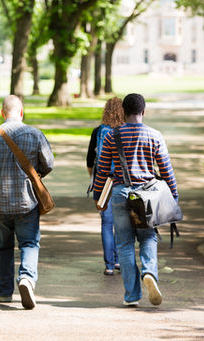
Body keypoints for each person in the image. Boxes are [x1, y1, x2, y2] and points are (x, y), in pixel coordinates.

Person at [0, 95, 54, 309]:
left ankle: (4, 293)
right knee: (29, 243)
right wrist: (35, 174)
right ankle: (26, 278)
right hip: (27, 201)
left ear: (2, 113)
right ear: (21, 112)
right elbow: (49, 163)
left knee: (3, 247)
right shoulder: (35, 134)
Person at [92, 93, 178, 307]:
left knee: (124, 243)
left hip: (121, 193)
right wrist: (174, 196)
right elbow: (167, 171)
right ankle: (149, 272)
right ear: (143, 111)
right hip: (147, 197)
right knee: (148, 237)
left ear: (123, 112)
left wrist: (98, 195)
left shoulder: (112, 136)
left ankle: (131, 295)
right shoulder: (155, 135)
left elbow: (101, 169)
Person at [86, 97, 124, 276]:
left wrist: (95, 181)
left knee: (106, 223)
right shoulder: (126, 131)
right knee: (122, 223)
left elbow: (89, 161)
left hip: (104, 182)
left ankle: (109, 265)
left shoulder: (98, 132)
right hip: (123, 182)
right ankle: (119, 261)